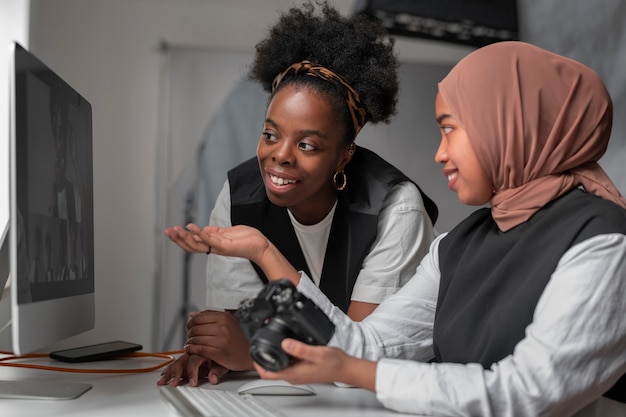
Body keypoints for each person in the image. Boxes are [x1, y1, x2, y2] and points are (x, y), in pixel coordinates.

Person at [184, 41, 626, 416]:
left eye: (451, 130)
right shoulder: (457, 245)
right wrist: (264, 251)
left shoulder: (604, 242)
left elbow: (528, 392)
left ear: (511, 127)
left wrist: (348, 370)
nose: (439, 154)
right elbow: (366, 343)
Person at [158, 1, 438, 387]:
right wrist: (215, 353)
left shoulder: (395, 208)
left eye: (307, 145)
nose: (280, 157)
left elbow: (354, 361)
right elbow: (234, 334)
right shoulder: (240, 195)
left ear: (344, 155)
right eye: (270, 134)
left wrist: (249, 352)